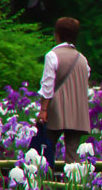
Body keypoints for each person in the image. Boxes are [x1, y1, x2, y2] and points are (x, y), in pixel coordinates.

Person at [37, 17, 91, 165]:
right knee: (73, 156)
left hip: (56, 110)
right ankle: (73, 185)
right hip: (78, 113)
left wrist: (43, 109)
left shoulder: (53, 56)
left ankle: (46, 184)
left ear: (57, 34)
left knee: (46, 150)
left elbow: (47, 86)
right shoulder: (83, 59)